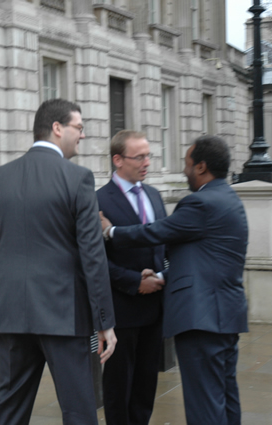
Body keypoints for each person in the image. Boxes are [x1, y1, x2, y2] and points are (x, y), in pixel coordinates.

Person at [0, 98, 117, 424]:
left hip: (11, 312)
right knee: (78, 409)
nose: (82, 135)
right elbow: (92, 255)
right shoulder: (78, 178)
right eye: (78, 127)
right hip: (63, 314)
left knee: (6, 408)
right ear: (57, 128)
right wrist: (104, 321)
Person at [100, 135, 249, 425]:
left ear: (201, 167)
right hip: (212, 315)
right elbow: (199, 257)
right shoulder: (229, 198)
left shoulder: (196, 202)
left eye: (187, 164)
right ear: (118, 160)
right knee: (224, 397)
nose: (184, 170)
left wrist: (111, 231)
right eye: (140, 156)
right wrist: (153, 277)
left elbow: (158, 234)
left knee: (204, 405)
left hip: (200, 318)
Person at [97, 130, 166, 425]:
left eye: (148, 156)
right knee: (118, 390)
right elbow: (94, 261)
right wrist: (133, 281)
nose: (146, 162)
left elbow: (166, 245)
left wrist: (161, 276)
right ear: (118, 160)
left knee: (145, 387)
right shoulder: (98, 200)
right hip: (121, 311)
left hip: (155, 311)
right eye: (139, 157)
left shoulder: (154, 195)